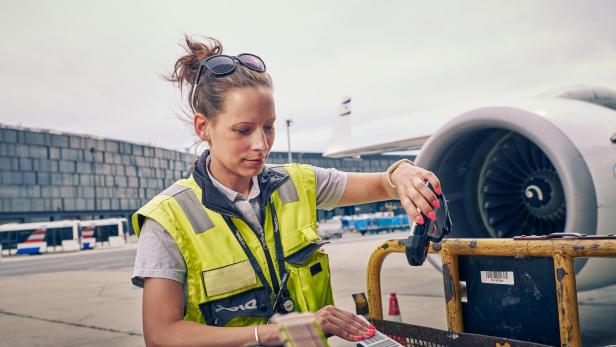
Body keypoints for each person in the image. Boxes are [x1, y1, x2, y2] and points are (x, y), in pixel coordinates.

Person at [131, 35, 442, 347]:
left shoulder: (297, 183)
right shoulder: (168, 219)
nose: (261, 145)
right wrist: (278, 332)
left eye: (269, 127)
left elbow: (380, 184)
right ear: (203, 127)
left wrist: (401, 172)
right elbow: (162, 336)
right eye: (243, 130)